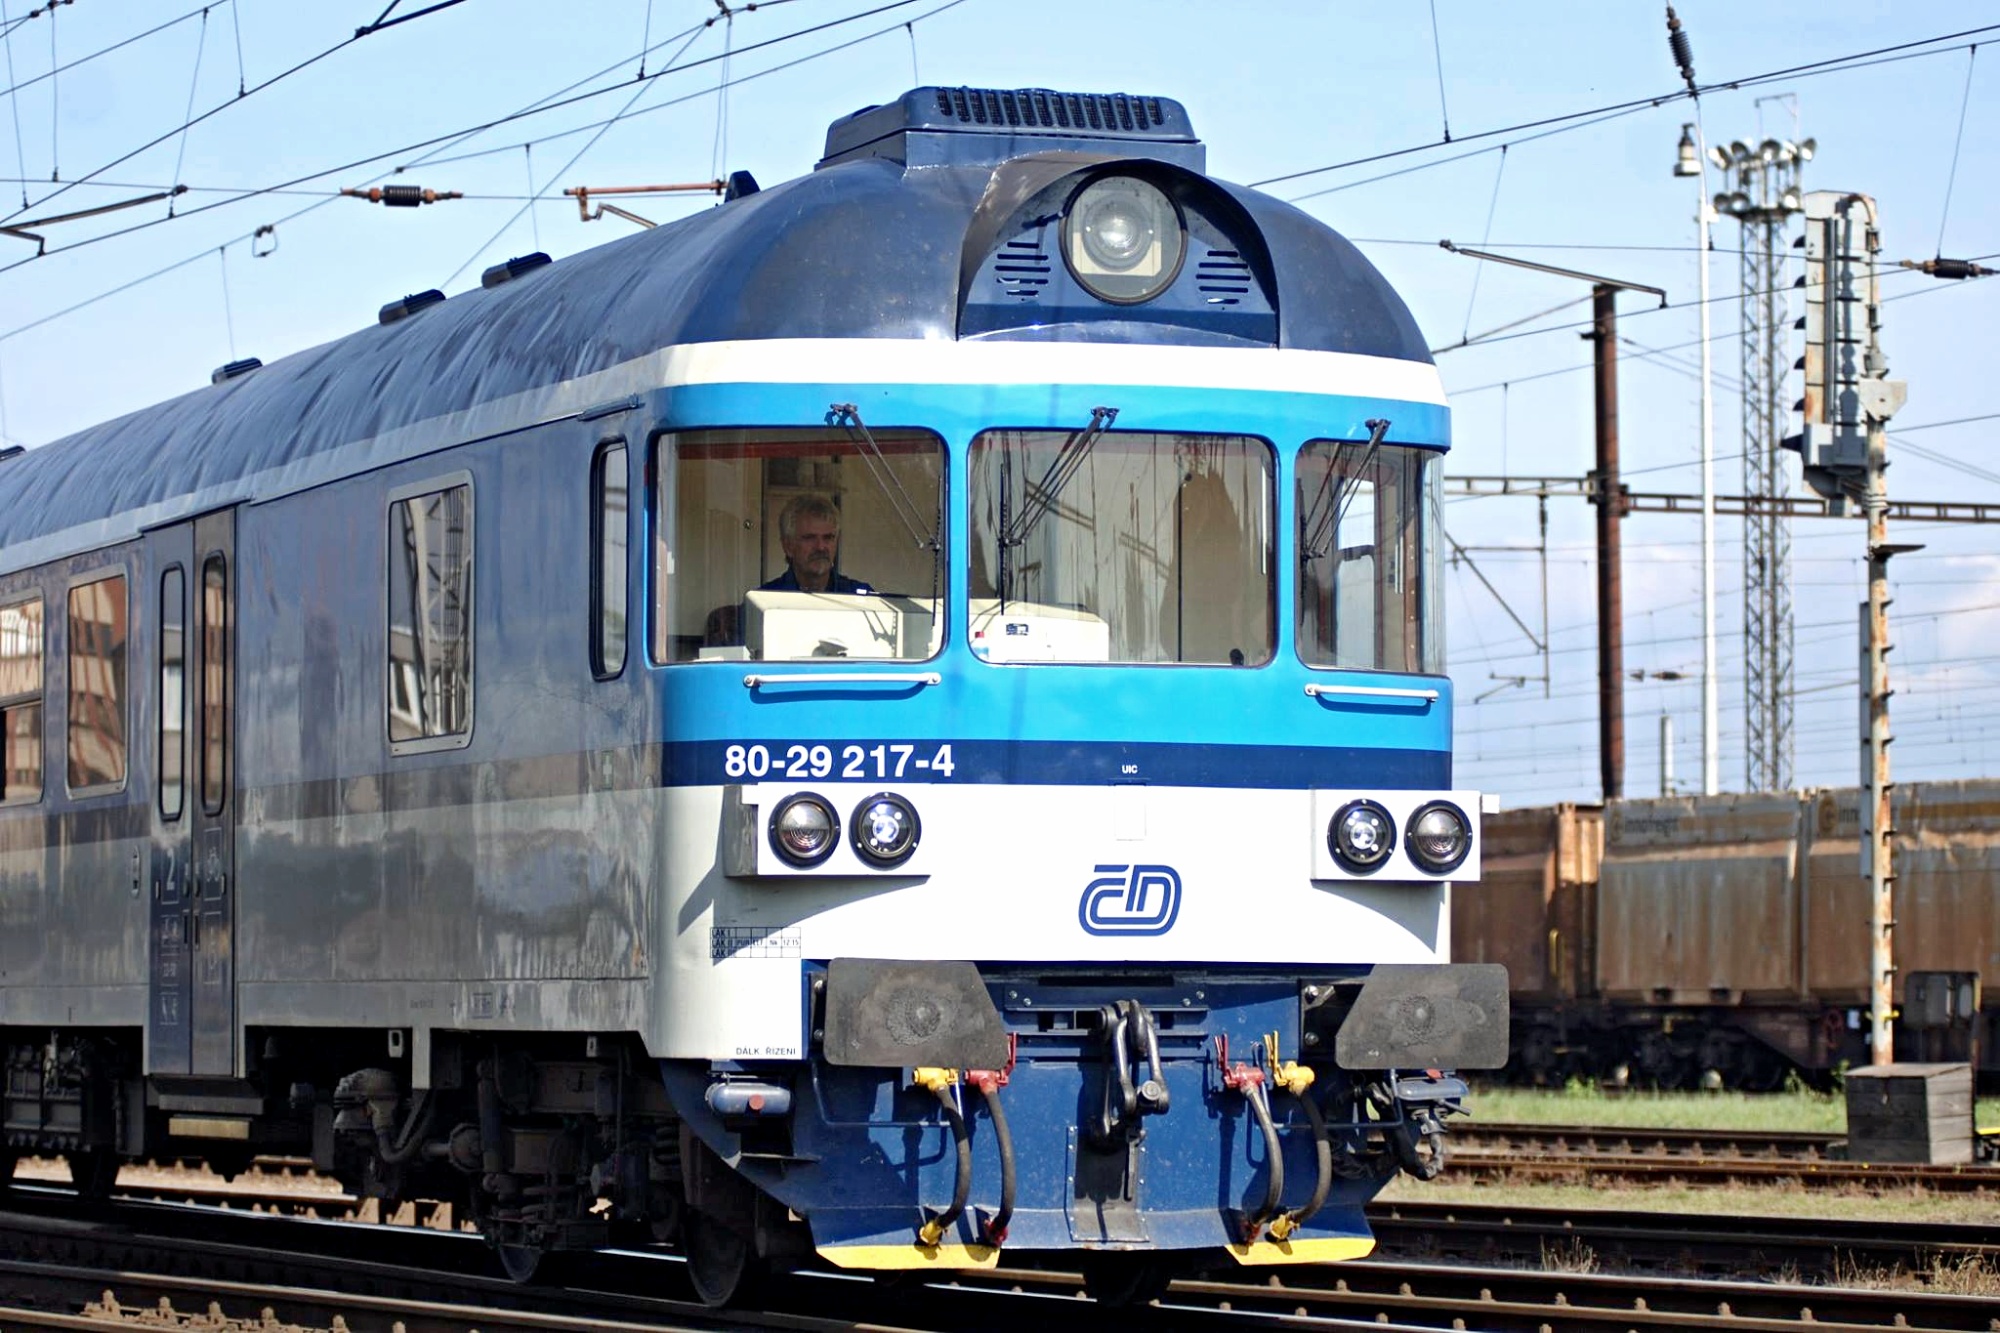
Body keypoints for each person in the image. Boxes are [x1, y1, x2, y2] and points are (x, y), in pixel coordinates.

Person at [759, 493, 874, 594]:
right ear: (788, 546)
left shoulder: (862, 599)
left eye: (828, 538)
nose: (820, 547)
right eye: (809, 538)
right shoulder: (764, 600)